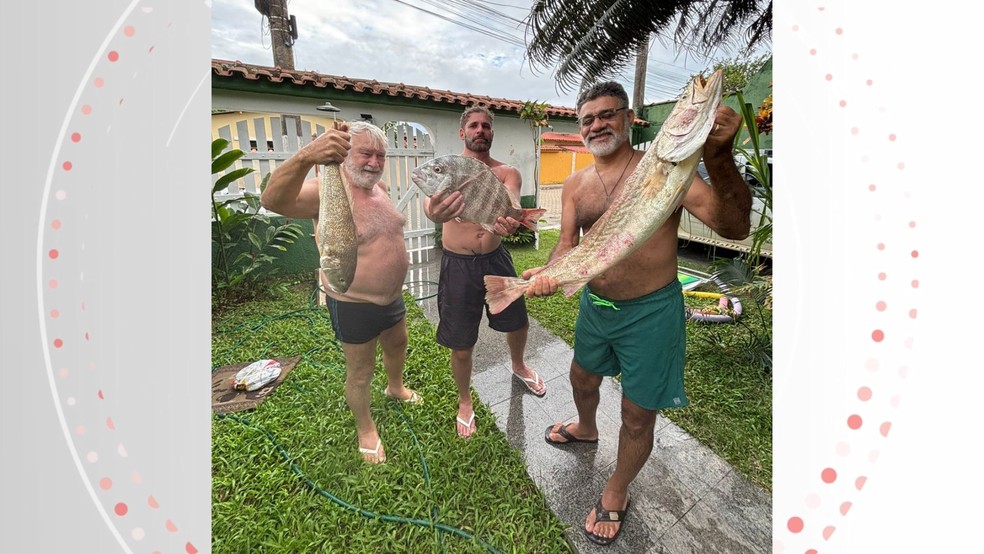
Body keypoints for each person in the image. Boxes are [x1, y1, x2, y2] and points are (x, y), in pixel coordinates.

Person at [524, 82, 752, 545]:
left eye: (608, 114)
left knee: (636, 414)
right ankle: (586, 428)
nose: (597, 125)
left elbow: (735, 226)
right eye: (588, 119)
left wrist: (719, 156)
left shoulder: (666, 171)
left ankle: (617, 489)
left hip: (652, 312)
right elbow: (568, 246)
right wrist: (549, 274)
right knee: (581, 379)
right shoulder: (574, 185)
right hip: (596, 306)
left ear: (630, 120)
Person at [260, 121, 421, 464]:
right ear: (346, 153)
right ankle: (365, 427)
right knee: (360, 372)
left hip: (392, 298)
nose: (374, 162)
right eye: (366, 153)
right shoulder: (326, 189)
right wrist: (307, 156)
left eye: (380, 155)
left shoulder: (380, 189)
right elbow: (272, 200)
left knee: (397, 344)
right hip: (353, 302)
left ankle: (395, 387)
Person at [423, 106, 546, 439]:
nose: (481, 130)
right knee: (461, 343)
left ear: (492, 133)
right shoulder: (447, 169)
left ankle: (518, 365)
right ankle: (465, 401)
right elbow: (431, 206)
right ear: (462, 133)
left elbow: (510, 201)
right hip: (457, 265)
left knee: (517, 321)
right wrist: (434, 210)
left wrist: (513, 219)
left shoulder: (507, 172)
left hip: (496, 258)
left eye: (486, 126)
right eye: (474, 125)